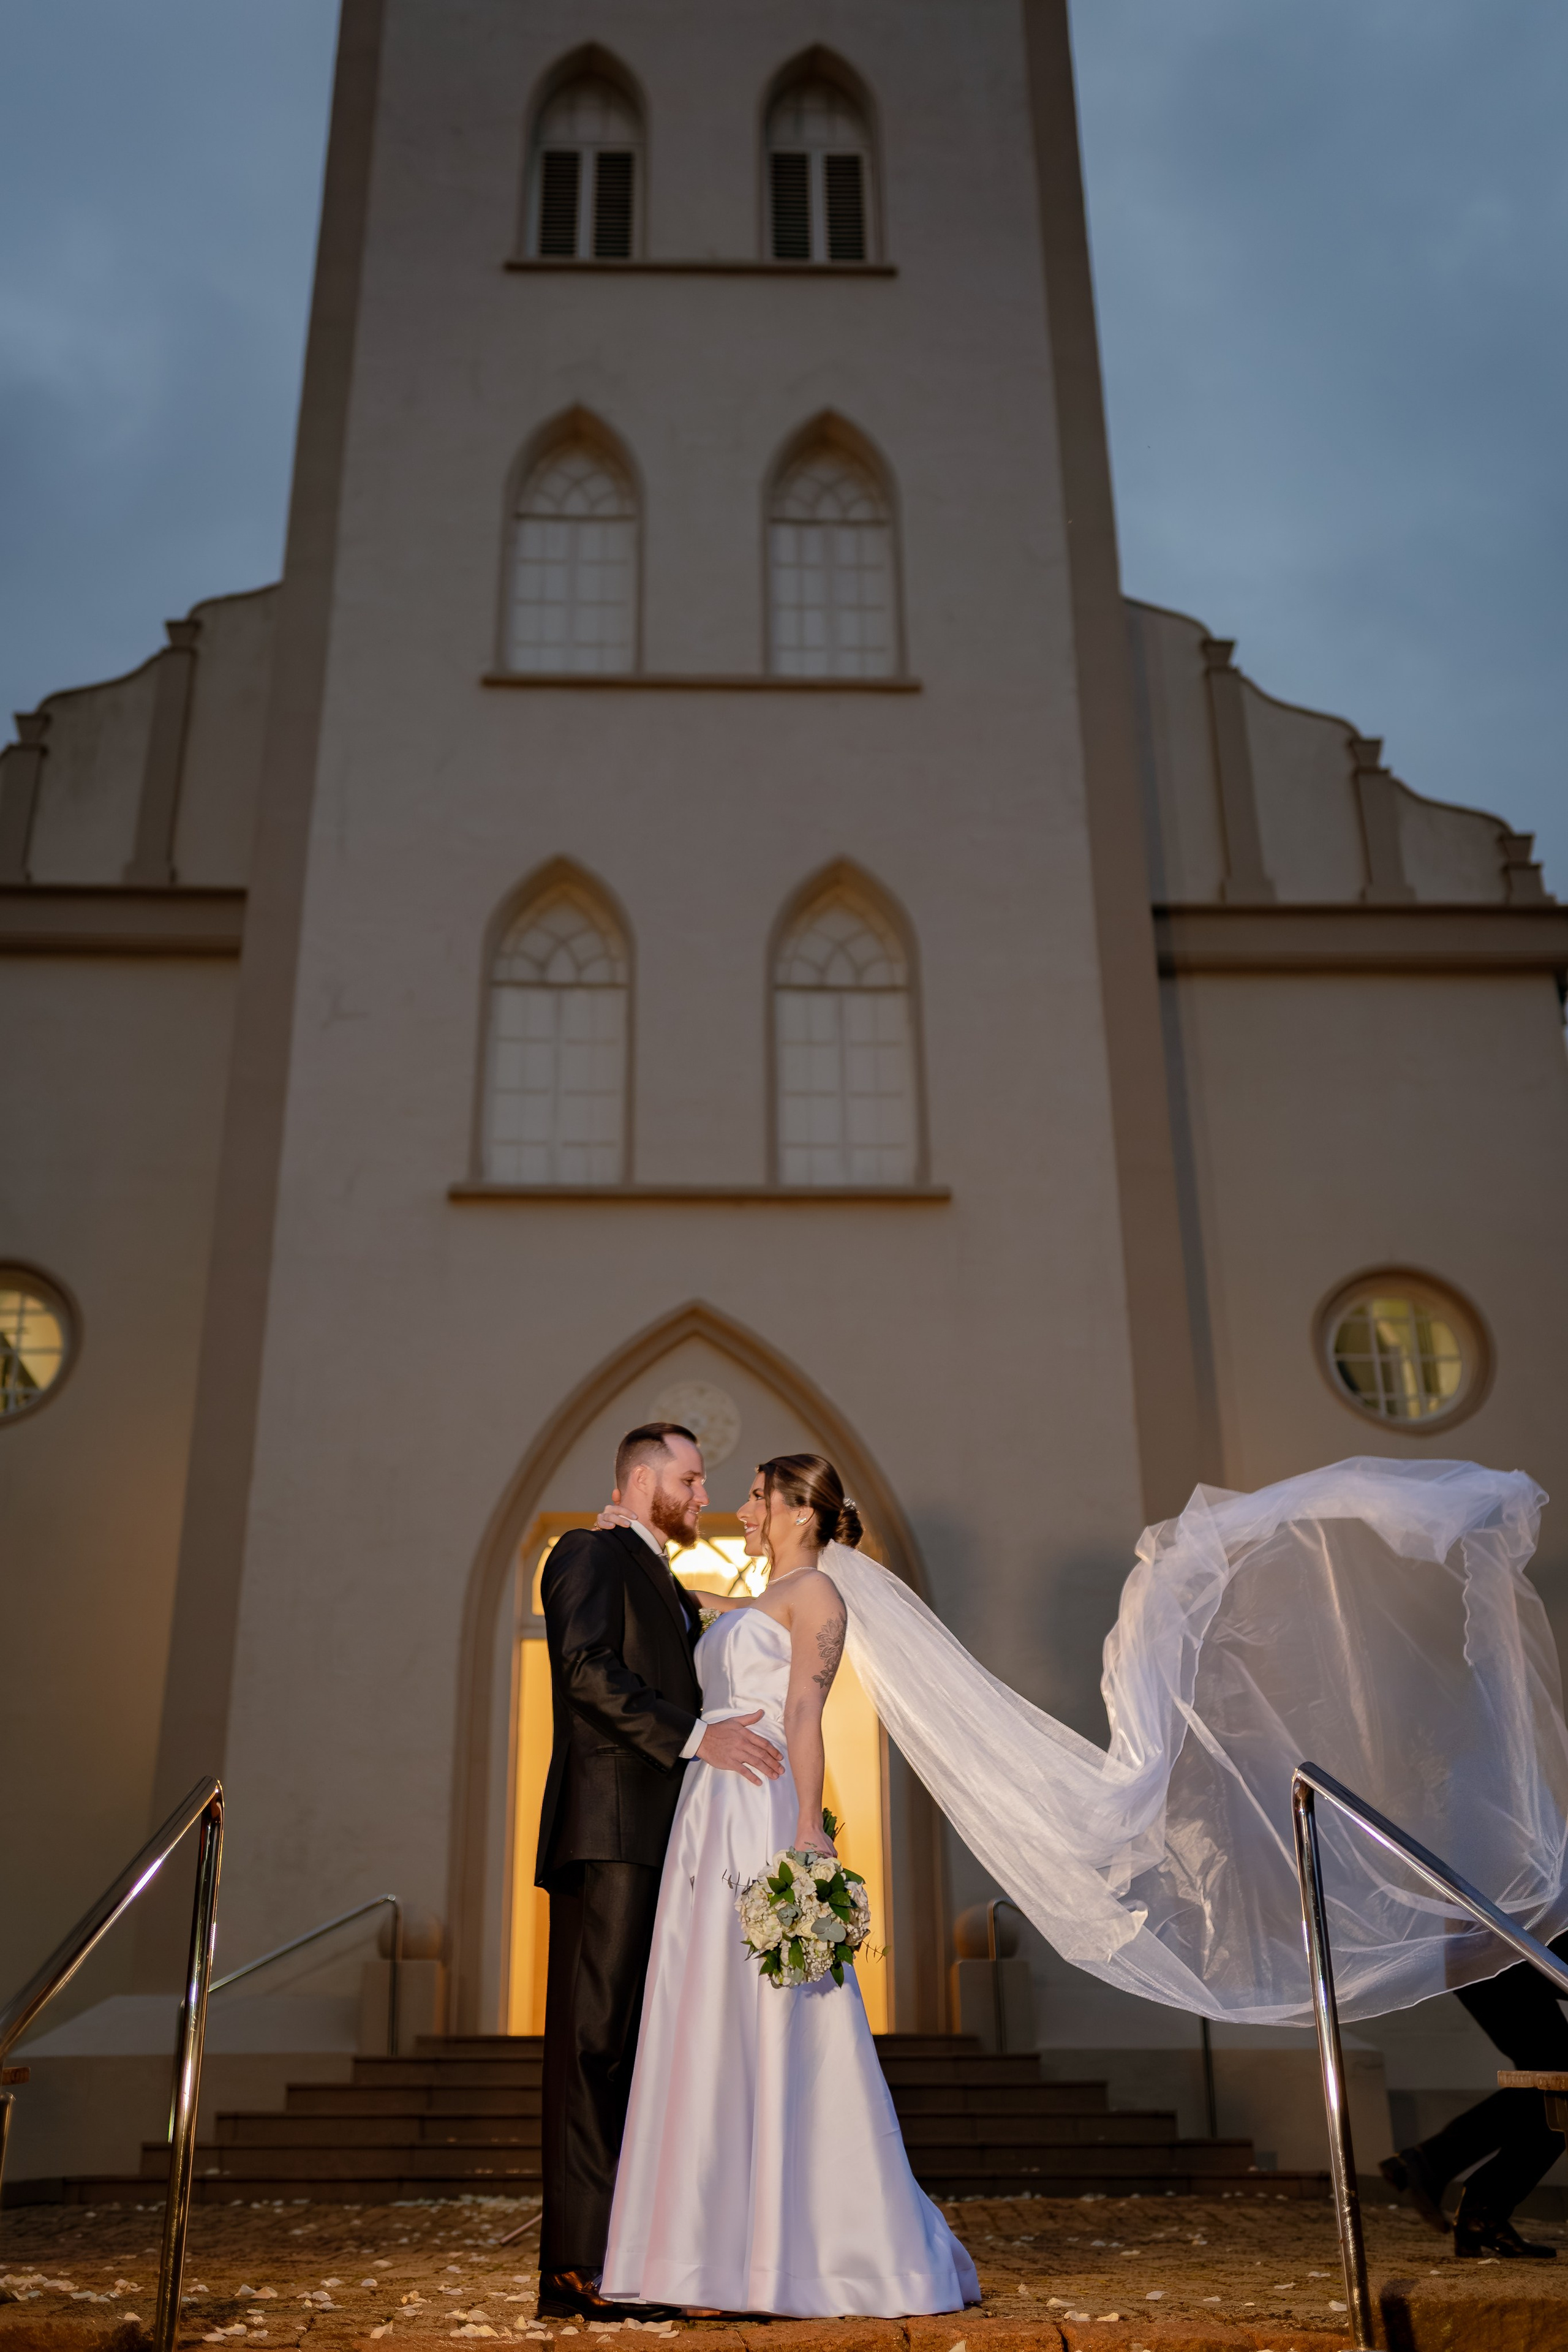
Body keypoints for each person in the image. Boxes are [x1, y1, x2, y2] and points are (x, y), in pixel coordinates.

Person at [598, 1452, 979, 2319]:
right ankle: (705, 2254)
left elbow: (804, 1713)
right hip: (709, 1807)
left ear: (799, 1512)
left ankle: (785, 2255)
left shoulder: (817, 1599)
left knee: (769, 2010)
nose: (741, 1508)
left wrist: (809, 1830)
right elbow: (697, 1614)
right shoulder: (759, 1600)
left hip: (763, 1807)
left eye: (756, 1497)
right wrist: (633, 1539)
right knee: (705, 2008)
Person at [534, 1422, 785, 2322]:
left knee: (646, 2048)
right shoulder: (585, 1552)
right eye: (689, 1477)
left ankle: (645, 2258)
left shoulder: (658, 1577)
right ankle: (579, 2264)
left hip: (666, 1837)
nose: (703, 1493)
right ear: (642, 1481)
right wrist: (695, 1736)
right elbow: (585, 1671)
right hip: (607, 1832)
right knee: (594, 2042)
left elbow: (676, 1645)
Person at [1381, 1943, 1568, 2260]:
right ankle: (1447, 2179)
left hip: (1497, 1959)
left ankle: (1474, 2207)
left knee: (1554, 2086)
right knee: (1557, 2084)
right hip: (1499, 1957)